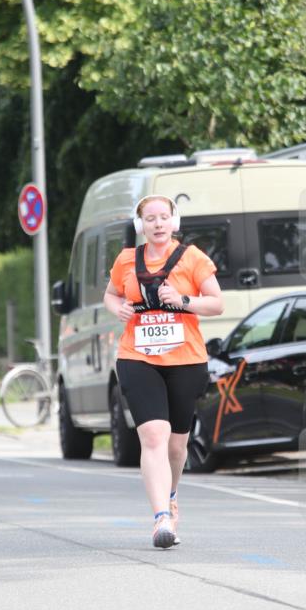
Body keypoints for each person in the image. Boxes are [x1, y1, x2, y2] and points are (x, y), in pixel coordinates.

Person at [103, 194, 224, 549]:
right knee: (154, 436)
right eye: (150, 218)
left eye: (164, 217)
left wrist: (184, 301)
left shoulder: (192, 258)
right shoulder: (127, 260)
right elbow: (110, 294)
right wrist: (119, 309)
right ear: (141, 224)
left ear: (174, 221)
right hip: (137, 356)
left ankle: (171, 494)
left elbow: (217, 302)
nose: (158, 224)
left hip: (185, 358)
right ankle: (160, 520)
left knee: (176, 444)